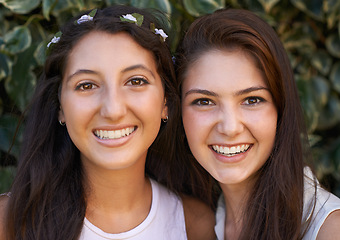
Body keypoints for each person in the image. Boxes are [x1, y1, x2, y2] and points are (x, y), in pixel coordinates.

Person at [0, 5, 215, 240]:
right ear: (60, 106)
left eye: (135, 81)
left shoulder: (195, 225)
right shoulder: (9, 221)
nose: (113, 110)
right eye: (87, 85)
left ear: (165, 101)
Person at [176, 8, 340, 240]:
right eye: (204, 101)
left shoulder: (329, 230)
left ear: (280, 108)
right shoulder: (201, 222)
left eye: (252, 100)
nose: (230, 127)